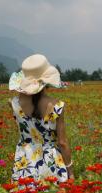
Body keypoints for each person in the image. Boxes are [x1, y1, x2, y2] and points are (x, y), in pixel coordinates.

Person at [8, 54, 74, 184]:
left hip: (24, 163)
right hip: (50, 163)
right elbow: (62, 142)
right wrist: (70, 171)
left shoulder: (13, 103)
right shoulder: (57, 106)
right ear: (47, 81)